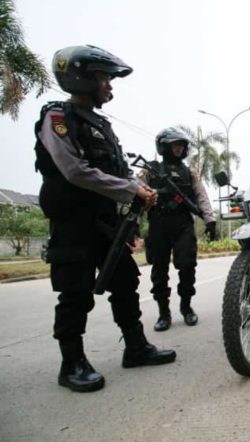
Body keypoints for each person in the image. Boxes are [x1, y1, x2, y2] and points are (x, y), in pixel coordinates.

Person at [35, 45, 175, 392]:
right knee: (75, 293)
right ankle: (71, 364)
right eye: (104, 78)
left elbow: (120, 171)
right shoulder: (57, 118)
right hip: (73, 224)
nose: (110, 86)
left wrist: (139, 187)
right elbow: (74, 170)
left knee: (126, 282)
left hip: (106, 223)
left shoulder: (102, 125)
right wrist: (130, 191)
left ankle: (136, 347)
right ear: (82, 79)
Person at [142, 127, 216, 332]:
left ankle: (186, 307)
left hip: (183, 223)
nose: (179, 149)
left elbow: (201, 196)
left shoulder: (189, 172)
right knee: (159, 268)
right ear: (164, 146)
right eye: (175, 145)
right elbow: (137, 193)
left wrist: (210, 220)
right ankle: (163, 313)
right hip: (158, 223)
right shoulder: (150, 169)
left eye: (182, 146)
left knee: (187, 265)